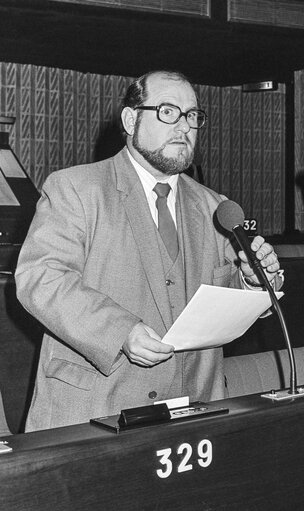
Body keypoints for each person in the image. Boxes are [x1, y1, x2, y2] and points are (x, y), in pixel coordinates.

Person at [15, 70, 282, 431]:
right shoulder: (76, 188)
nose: (184, 127)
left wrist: (252, 284)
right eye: (168, 112)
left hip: (195, 414)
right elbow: (41, 278)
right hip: (93, 411)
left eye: (192, 116)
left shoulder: (215, 206)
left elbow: (222, 302)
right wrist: (121, 331)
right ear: (130, 119)